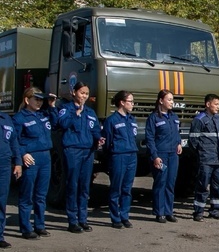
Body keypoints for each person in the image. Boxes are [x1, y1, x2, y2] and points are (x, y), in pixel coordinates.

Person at [57, 81, 104, 233]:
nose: (84, 96)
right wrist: (75, 115)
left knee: (85, 186)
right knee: (73, 185)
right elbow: (62, 124)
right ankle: (72, 221)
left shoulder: (90, 112)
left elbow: (95, 129)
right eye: (81, 93)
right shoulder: (66, 109)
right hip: (72, 150)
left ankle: (83, 219)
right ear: (74, 92)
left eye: (86, 94)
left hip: (88, 151)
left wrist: (99, 138)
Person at [14, 88, 56, 239]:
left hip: (45, 157)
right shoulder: (19, 118)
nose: (39, 102)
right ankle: (26, 228)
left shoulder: (43, 115)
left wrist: (51, 106)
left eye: (41, 99)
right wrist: (23, 154)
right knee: (27, 195)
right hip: (31, 158)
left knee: (41, 195)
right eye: (36, 99)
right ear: (27, 100)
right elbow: (14, 141)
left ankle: (40, 225)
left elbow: (56, 123)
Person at [102, 90, 138, 228]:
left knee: (127, 188)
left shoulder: (132, 119)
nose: (132, 104)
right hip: (118, 156)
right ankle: (115, 218)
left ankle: (125, 215)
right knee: (116, 188)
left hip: (132, 156)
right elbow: (107, 142)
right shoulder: (111, 120)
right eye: (130, 101)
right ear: (122, 103)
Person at [145, 89, 182, 223]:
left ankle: (168, 211)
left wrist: (178, 143)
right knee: (160, 182)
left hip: (173, 155)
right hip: (161, 154)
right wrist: (155, 156)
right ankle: (159, 212)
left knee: (170, 183)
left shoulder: (174, 117)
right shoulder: (154, 118)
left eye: (172, 100)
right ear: (161, 101)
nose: (172, 102)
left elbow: (177, 133)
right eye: (169, 99)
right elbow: (149, 139)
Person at [190, 94, 219, 221]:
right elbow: (193, 141)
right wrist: (202, 153)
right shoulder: (199, 119)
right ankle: (198, 212)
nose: (218, 107)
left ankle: (215, 210)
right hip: (206, 159)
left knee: (218, 186)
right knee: (202, 185)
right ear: (208, 104)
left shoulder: (217, 118)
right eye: (216, 104)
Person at [0, 105, 22, 248]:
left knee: (1, 200)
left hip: (4, 164)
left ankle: (0, 235)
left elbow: (14, 141)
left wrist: (18, 162)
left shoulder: (6, 118)